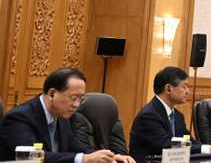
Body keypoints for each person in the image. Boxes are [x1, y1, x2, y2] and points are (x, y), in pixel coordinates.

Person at [0, 67, 133, 163]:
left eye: (81, 99)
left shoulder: (62, 116)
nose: (76, 105)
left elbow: (74, 147)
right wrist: (84, 159)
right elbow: (30, 157)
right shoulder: (19, 117)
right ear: (52, 94)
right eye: (73, 98)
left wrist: (108, 157)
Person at [129, 67, 211, 159]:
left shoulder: (178, 116)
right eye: (184, 87)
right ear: (168, 89)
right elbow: (167, 146)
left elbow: (188, 141)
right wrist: (206, 149)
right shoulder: (149, 116)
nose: (188, 92)